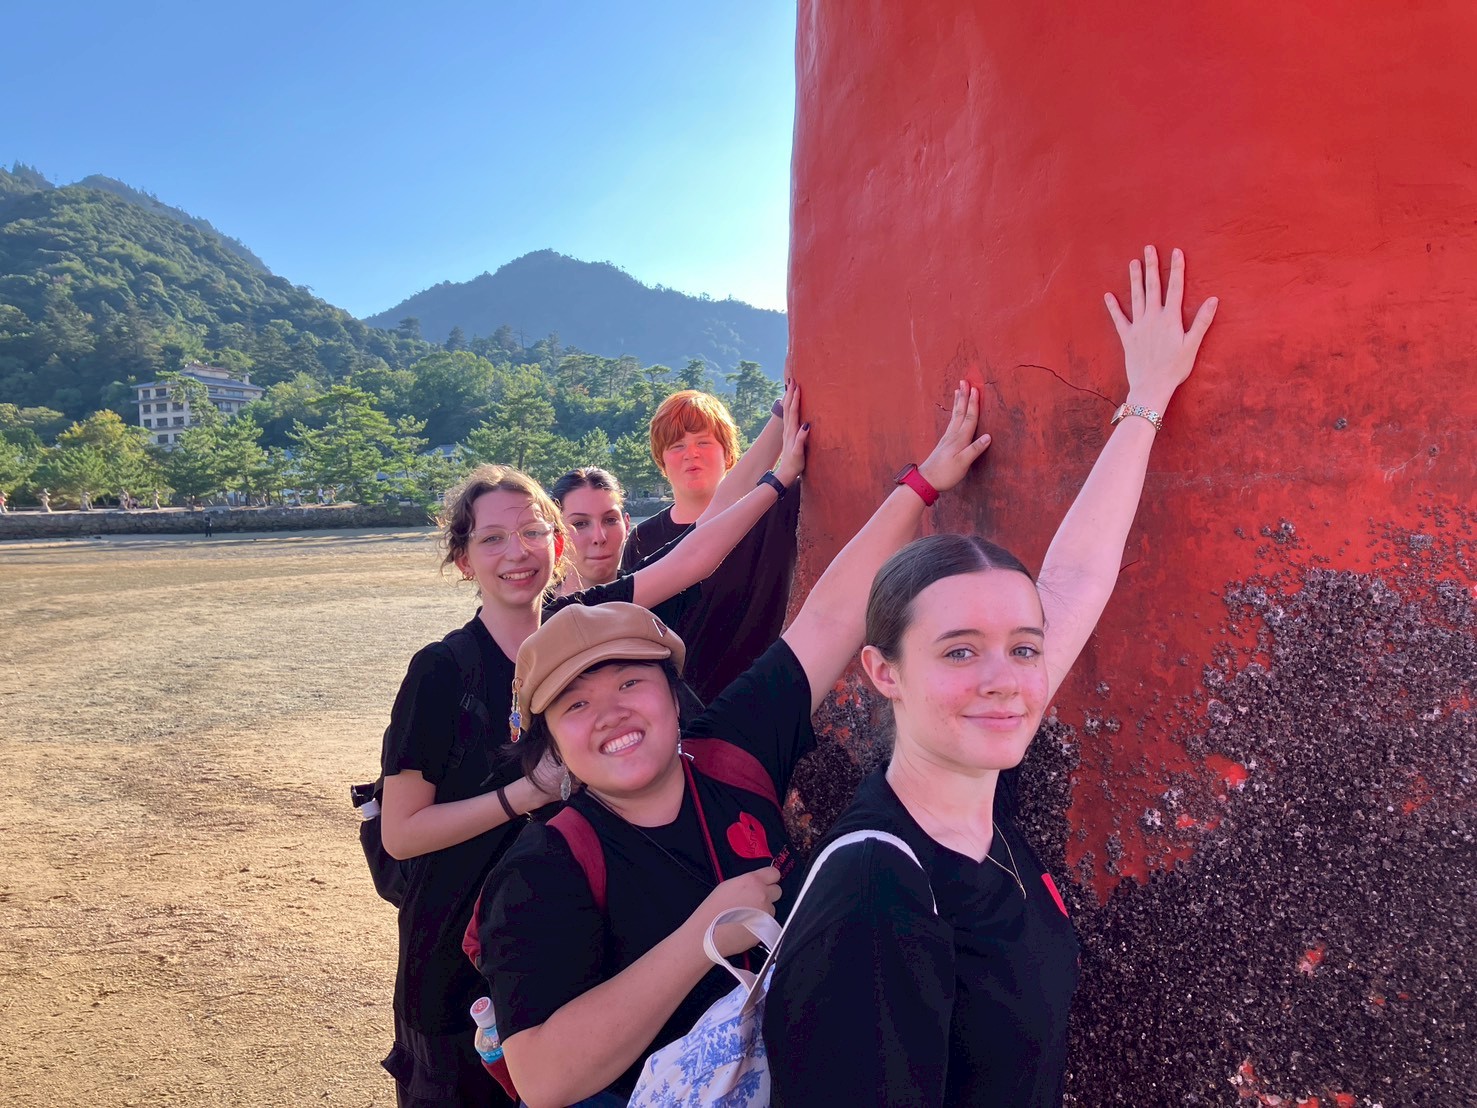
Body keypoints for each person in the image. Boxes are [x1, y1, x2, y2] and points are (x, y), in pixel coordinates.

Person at [764, 246, 1219, 1107]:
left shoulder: (978, 803)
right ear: (881, 671)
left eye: (1021, 647)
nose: (1006, 680)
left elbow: (1076, 580)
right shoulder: (878, 895)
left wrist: (1146, 400)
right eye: (958, 651)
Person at [472, 383, 992, 1108]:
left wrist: (921, 484)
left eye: (629, 683)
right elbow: (543, 1076)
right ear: (551, 740)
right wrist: (704, 932)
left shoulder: (729, 750)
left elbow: (828, 618)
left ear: (672, 693)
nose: (610, 714)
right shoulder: (545, 867)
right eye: (575, 703)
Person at [378, 389, 809, 1108]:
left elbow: (699, 550)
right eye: (490, 539)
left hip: (570, 930)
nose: (515, 554)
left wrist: (775, 461)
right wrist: (525, 794)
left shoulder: (584, 629)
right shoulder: (443, 670)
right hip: (454, 935)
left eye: (531, 533)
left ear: (558, 543)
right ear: (462, 560)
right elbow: (401, 831)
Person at [618, 387, 800, 703]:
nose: (692, 453)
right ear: (661, 461)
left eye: (704, 442)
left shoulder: (771, 507)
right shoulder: (641, 540)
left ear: (729, 453)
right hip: (678, 708)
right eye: (677, 446)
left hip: (762, 698)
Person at [549, 468, 631, 595]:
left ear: (626, 526)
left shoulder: (657, 602)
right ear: (556, 534)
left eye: (610, 520)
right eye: (580, 524)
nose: (599, 537)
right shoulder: (534, 611)